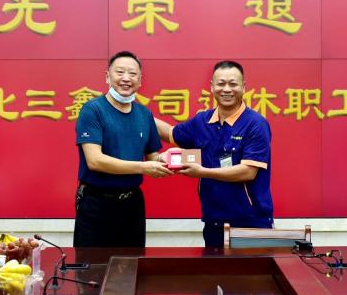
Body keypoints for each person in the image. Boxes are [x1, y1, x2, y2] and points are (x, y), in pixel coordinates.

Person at [155, 60, 274, 247]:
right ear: (211, 87)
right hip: (214, 223)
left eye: (233, 84)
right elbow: (171, 133)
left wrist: (202, 172)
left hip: (250, 223)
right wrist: (139, 113)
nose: (226, 89)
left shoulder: (256, 124)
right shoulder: (202, 120)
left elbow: (248, 171)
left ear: (243, 87)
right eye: (221, 84)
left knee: (252, 268)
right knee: (215, 267)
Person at [74, 51, 171, 247]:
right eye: (120, 72)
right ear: (107, 77)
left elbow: (152, 156)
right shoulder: (93, 110)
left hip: (132, 203)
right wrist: (144, 167)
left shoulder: (144, 114)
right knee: (92, 263)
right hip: (97, 203)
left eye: (132, 74)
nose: (126, 78)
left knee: (132, 261)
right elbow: (95, 161)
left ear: (140, 80)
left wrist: (168, 160)